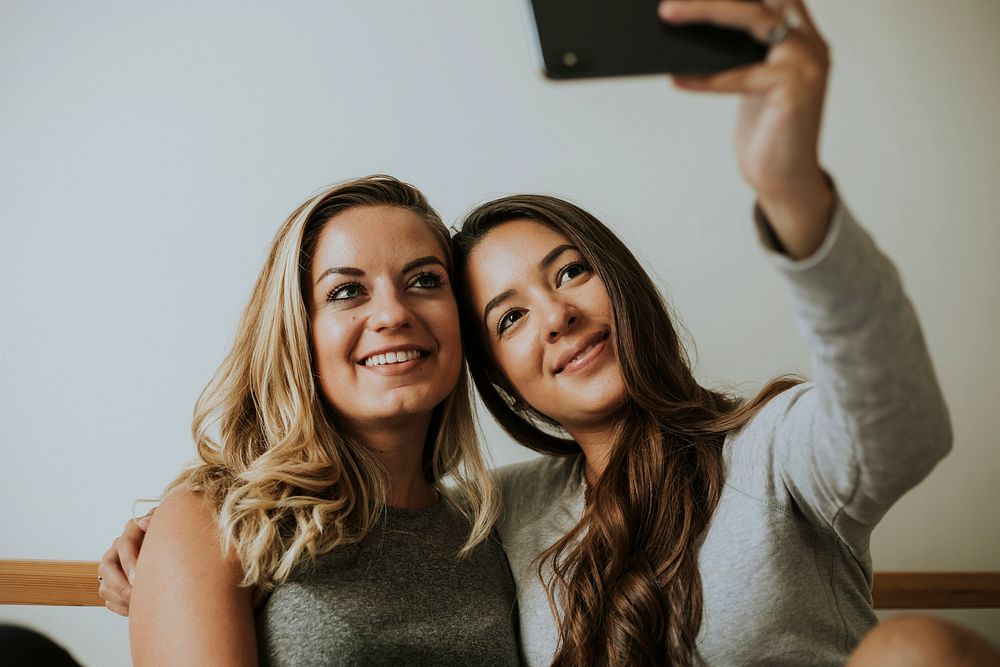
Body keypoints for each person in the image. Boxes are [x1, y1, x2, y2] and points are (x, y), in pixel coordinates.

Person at [100, 0, 1000, 665]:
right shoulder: (509, 511)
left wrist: (792, 186)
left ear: (621, 281)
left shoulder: (769, 452)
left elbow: (903, 423)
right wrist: (170, 548)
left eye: (570, 272)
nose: (557, 314)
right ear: (495, 370)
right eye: (509, 314)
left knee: (916, 648)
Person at [121, 175, 520, 666]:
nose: (393, 314)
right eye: (347, 291)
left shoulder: (490, 530)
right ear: (296, 330)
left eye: (424, 281)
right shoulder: (214, 519)